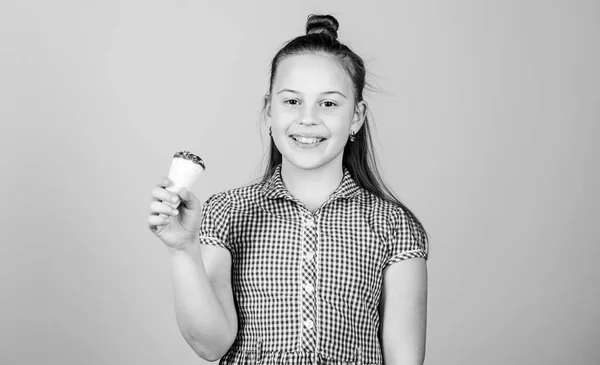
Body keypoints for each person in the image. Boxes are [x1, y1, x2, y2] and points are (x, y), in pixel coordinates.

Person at [148, 14, 429, 365]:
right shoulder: (226, 212)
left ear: (356, 116)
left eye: (328, 103)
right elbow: (211, 345)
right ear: (269, 111)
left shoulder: (395, 226)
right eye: (292, 101)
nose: (308, 118)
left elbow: (405, 358)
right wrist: (182, 249)